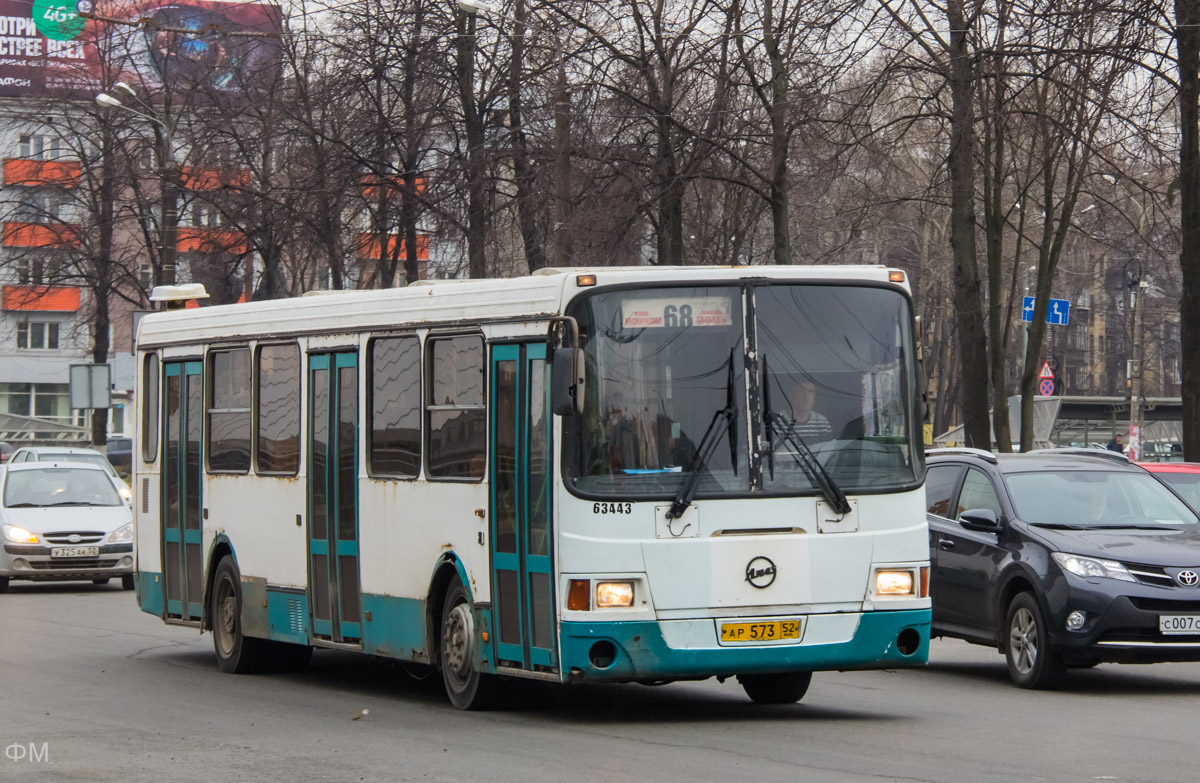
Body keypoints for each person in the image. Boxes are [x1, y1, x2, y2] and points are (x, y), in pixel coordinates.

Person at [785, 377, 834, 444]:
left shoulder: (822, 422)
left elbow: (829, 451)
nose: (806, 397)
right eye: (801, 391)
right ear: (792, 394)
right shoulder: (776, 422)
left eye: (810, 391)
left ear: (814, 396)